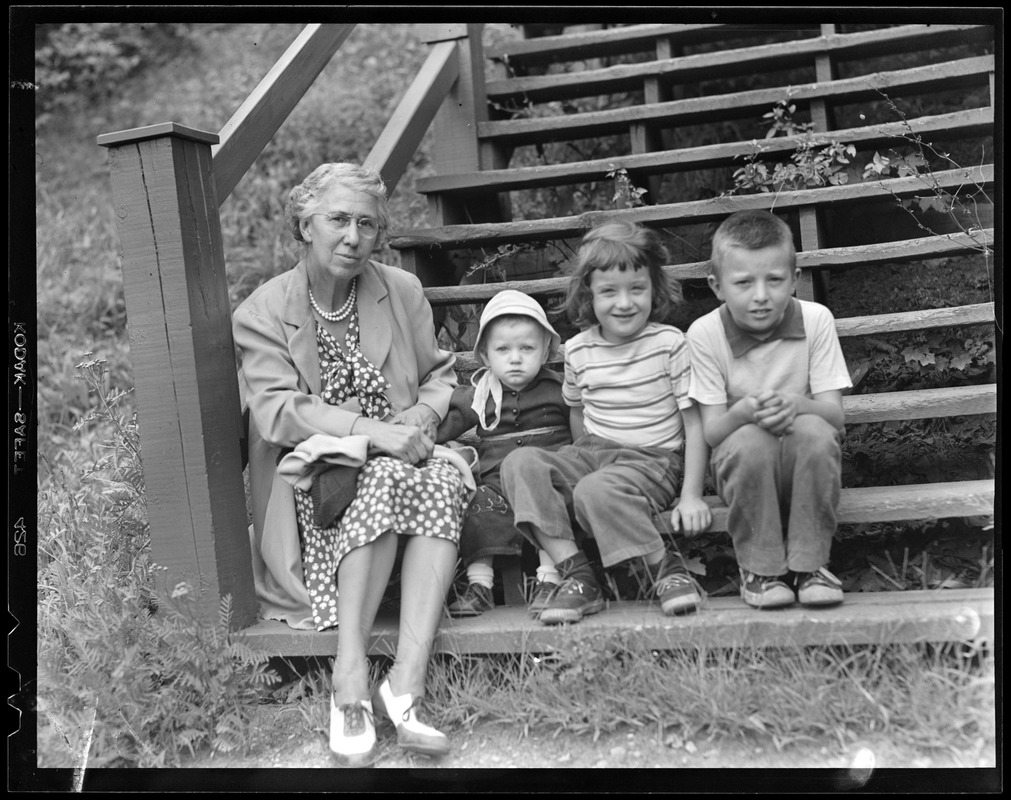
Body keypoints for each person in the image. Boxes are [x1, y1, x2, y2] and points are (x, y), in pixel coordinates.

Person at [233, 162, 471, 767]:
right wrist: (375, 436)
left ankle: (407, 688)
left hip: (401, 467)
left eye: (367, 224)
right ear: (305, 224)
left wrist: (418, 420)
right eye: (337, 219)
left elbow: (439, 377)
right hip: (315, 480)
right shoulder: (262, 312)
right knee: (388, 472)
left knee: (441, 474)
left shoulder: (402, 290)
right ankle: (350, 674)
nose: (352, 236)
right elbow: (277, 411)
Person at [500, 221, 712, 625]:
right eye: (609, 291)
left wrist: (691, 495)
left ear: (655, 288)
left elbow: (695, 424)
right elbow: (577, 413)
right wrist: (582, 460)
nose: (624, 302)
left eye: (637, 289)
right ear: (589, 294)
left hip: (652, 460)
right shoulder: (578, 350)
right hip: (594, 453)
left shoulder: (669, 344)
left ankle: (665, 569)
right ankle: (576, 573)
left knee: (595, 490)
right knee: (520, 463)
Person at [685, 209, 851, 609]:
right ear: (717, 286)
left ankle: (811, 567)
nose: (761, 295)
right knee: (752, 441)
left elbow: (835, 418)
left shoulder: (816, 320)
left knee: (813, 431)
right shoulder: (704, 334)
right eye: (743, 283)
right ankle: (761, 570)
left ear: (794, 280)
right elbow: (712, 432)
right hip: (740, 456)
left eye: (775, 280)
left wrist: (796, 405)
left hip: (802, 454)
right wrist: (746, 413)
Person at [436, 290, 572, 619]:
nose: (515, 358)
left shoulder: (560, 389)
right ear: (485, 354)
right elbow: (447, 423)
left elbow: (586, 419)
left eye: (527, 348)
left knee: (553, 500)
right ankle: (480, 584)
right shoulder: (480, 395)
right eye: (503, 349)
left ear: (545, 351)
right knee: (476, 501)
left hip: (545, 477)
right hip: (497, 481)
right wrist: (423, 438)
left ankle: (549, 579)